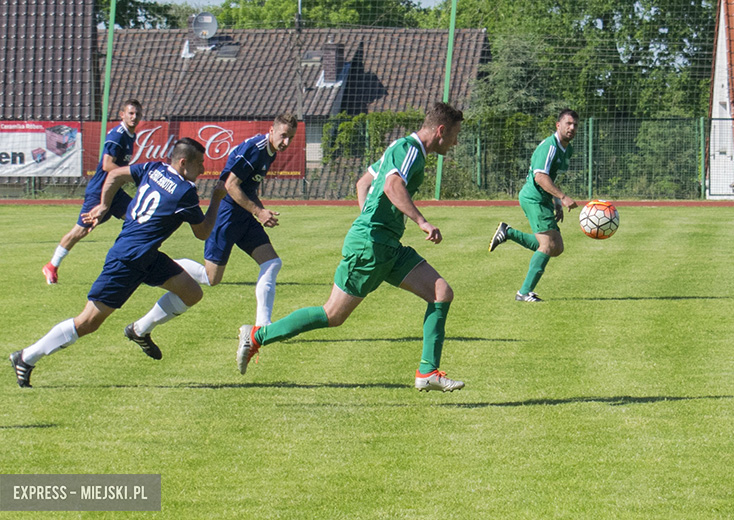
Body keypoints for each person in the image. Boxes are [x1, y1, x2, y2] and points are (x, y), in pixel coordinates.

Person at [236, 102, 465, 393]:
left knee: (440, 292)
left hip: (385, 244)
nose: (456, 142)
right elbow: (391, 186)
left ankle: (427, 372)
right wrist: (420, 221)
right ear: (441, 130)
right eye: (455, 134)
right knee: (333, 314)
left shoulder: (400, 147)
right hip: (372, 245)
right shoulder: (410, 150)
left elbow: (363, 183)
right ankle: (256, 336)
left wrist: (368, 220)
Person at [10, 138, 226, 388]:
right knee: (88, 322)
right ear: (183, 162)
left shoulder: (152, 168)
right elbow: (202, 233)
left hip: (147, 255)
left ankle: (139, 330)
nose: (202, 169)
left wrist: (104, 204)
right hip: (127, 259)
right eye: (199, 164)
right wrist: (218, 197)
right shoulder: (184, 191)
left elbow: (113, 175)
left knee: (191, 292)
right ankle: (26, 357)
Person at [175, 113, 297, 350]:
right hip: (227, 215)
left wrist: (258, 209)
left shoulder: (269, 151)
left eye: (290, 137)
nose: (286, 143)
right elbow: (229, 185)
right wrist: (259, 212)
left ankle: (262, 327)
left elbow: (247, 187)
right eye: (283, 136)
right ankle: (165, 264)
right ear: (271, 131)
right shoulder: (255, 149)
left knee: (272, 263)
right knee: (212, 278)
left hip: (243, 215)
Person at [43, 99, 144, 284]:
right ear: (122, 114)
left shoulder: (131, 135)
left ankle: (137, 265)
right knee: (80, 232)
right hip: (99, 192)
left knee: (138, 219)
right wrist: (133, 175)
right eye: (130, 113)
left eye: (137, 114)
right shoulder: (118, 135)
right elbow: (107, 165)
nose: (134, 117)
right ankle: (52, 266)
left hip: (114, 192)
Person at [488, 108, 579, 302]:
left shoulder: (567, 149)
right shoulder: (550, 146)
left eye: (575, 125)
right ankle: (524, 292)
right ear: (558, 125)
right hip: (533, 198)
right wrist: (563, 197)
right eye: (568, 124)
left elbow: (551, 177)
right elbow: (540, 177)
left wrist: (556, 202)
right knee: (547, 245)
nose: (572, 128)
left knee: (557, 247)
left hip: (543, 199)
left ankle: (508, 232)